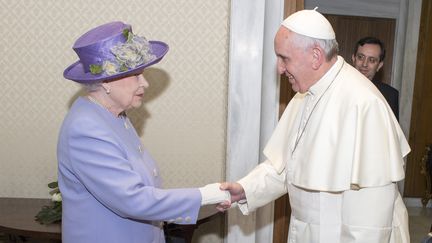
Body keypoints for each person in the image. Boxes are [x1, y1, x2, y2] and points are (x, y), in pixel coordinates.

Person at [218, 9, 411, 243]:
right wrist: (246, 189)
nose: (279, 68)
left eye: (284, 58)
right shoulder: (306, 94)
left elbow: (368, 226)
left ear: (316, 56)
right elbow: (286, 166)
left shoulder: (364, 104)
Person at [59, 21, 229, 243]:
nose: (145, 83)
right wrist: (207, 194)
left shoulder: (113, 115)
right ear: (107, 81)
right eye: (137, 75)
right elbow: (133, 199)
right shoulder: (86, 128)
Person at [352, 36, 399, 120]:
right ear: (353, 58)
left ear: (379, 66)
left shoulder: (390, 96)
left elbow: (390, 132)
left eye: (372, 60)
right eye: (360, 57)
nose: (364, 64)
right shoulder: (336, 89)